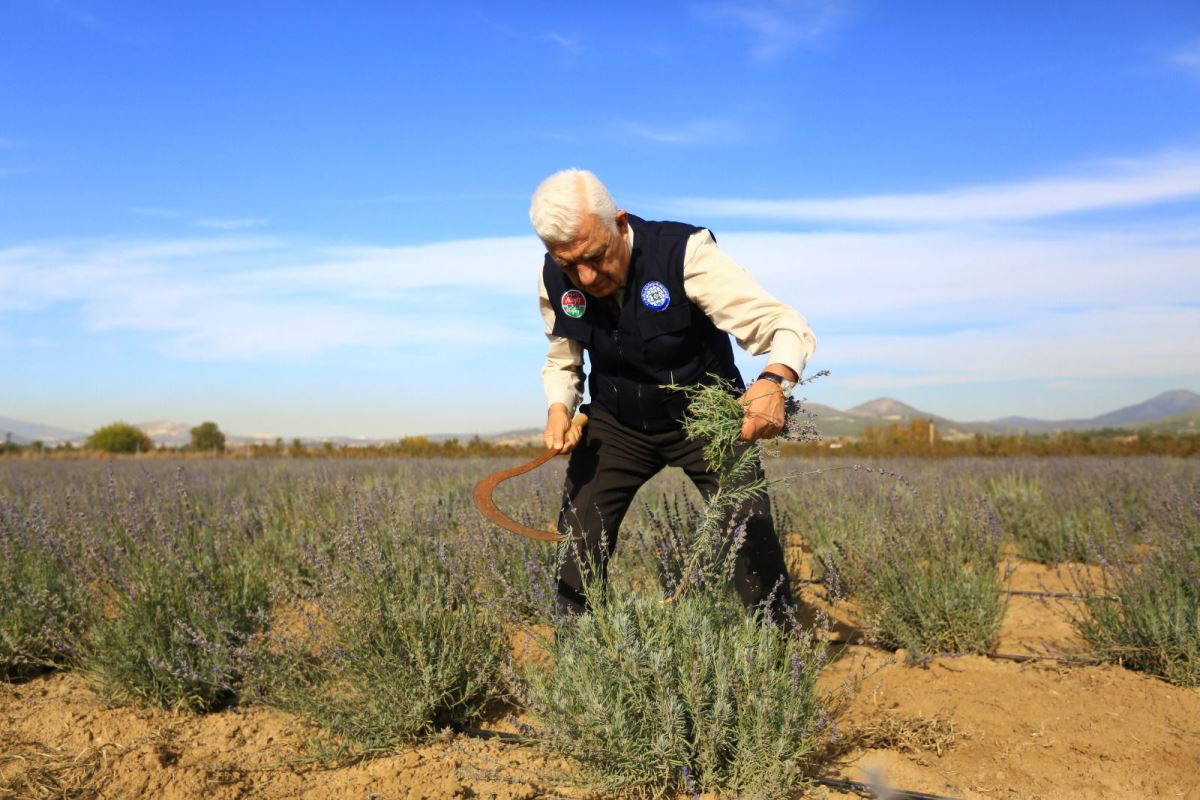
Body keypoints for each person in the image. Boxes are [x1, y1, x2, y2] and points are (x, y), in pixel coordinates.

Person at [531, 168, 816, 623]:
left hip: (706, 421)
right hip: (618, 424)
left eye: (596, 257)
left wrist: (772, 381)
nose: (585, 277)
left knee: (748, 539)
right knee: (576, 545)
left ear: (620, 223)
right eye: (569, 264)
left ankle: (780, 650)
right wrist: (559, 407)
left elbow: (781, 323)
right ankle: (578, 657)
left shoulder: (685, 253)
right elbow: (563, 356)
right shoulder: (554, 277)